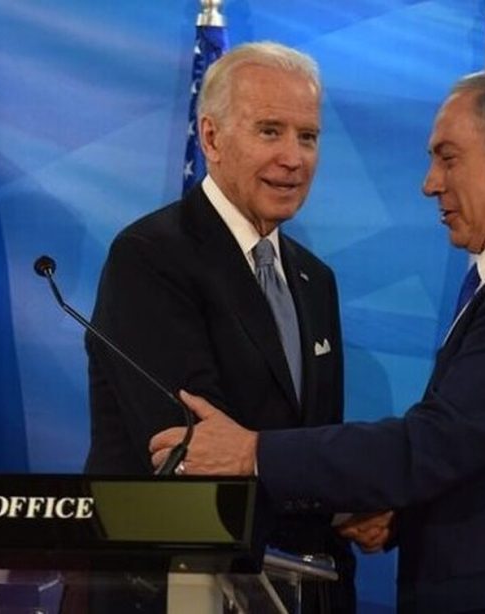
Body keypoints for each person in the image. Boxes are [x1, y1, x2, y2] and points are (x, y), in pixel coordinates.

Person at [151, 69, 485, 613]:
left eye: (448, 158)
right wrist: (402, 511)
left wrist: (253, 453)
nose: (430, 183)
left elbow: (438, 440)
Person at [85, 42, 354, 613]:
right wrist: (330, 485)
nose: (293, 157)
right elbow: (192, 447)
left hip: (299, 585)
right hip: (173, 588)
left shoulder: (315, 278)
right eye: (270, 131)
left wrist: (345, 504)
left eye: (308, 136)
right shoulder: (151, 256)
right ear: (211, 138)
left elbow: (307, 434)